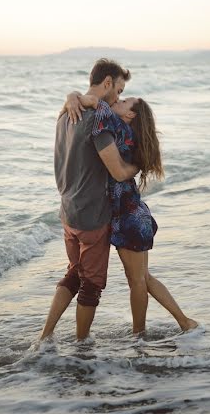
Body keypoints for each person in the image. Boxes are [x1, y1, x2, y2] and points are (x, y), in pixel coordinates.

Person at [63, 93, 198, 336]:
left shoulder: (122, 132)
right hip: (131, 215)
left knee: (137, 281)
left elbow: (99, 112)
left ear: (130, 114)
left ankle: (140, 335)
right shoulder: (127, 136)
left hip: (129, 218)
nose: (119, 99)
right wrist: (73, 96)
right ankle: (184, 322)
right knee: (143, 278)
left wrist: (85, 99)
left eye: (125, 102)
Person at [39, 59, 138, 342]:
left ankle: (45, 336)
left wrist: (73, 95)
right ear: (107, 83)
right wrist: (137, 167)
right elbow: (118, 172)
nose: (118, 97)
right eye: (118, 90)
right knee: (92, 285)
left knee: (73, 274)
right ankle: (82, 349)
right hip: (92, 215)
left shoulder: (64, 113)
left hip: (68, 211)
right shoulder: (98, 119)